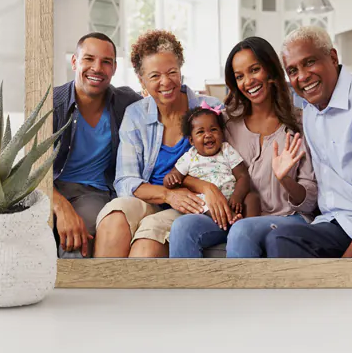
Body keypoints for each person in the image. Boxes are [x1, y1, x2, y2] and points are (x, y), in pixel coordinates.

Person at [169, 36, 318, 258]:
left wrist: (285, 179)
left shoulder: (301, 124)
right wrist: (207, 188)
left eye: (254, 70)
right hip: (236, 216)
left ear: (270, 70)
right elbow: (193, 165)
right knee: (183, 226)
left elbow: (309, 203)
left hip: (286, 218)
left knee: (242, 230)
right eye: (239, 76)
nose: (248, 81)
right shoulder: (224, 123)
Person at [93, 30, 223, 258]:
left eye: (172, 72)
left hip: (194, 204)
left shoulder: (211, 110)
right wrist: (168, 195)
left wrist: (202, 188)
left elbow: (230, 164)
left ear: (180, 70)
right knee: (115, 216)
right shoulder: (136, 115)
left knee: (148, 239)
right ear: (141, 80)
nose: (166, 82)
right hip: (151, 199)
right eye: (154, 76)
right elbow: (125, 180)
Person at [265, 26, 352, 258]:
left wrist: (347, 262)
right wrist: (285, 179)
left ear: (333, 57)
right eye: (292, 70)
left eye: (309, 62)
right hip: (334, 223)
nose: (302, 76)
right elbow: (314, 200)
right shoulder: (310, 111)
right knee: (278, 239)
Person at [51, 32, 141, 259]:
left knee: (78, 243)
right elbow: (28, 170)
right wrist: (61, 207)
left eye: (106, 62)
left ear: (114, 68)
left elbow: (163, 105)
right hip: (52, 189)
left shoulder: (125, 102)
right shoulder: (52, 104)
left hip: (95, 193)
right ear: (74, 62)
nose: (97, 68)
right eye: (89, 59)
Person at [163, 104, 259, 220]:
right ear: (191, 140)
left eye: (213, 130)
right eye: (200, 132)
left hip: (233, 199)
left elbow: (243, 176)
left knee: (252, 198)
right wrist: (170, 179)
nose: (208, 135)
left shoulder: (226, 150)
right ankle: (231, 219)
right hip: (208, 201)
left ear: (221, 133)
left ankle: (248, 225)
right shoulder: (189, 157)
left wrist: (237, 196)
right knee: (201, 203)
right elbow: (174, 177)